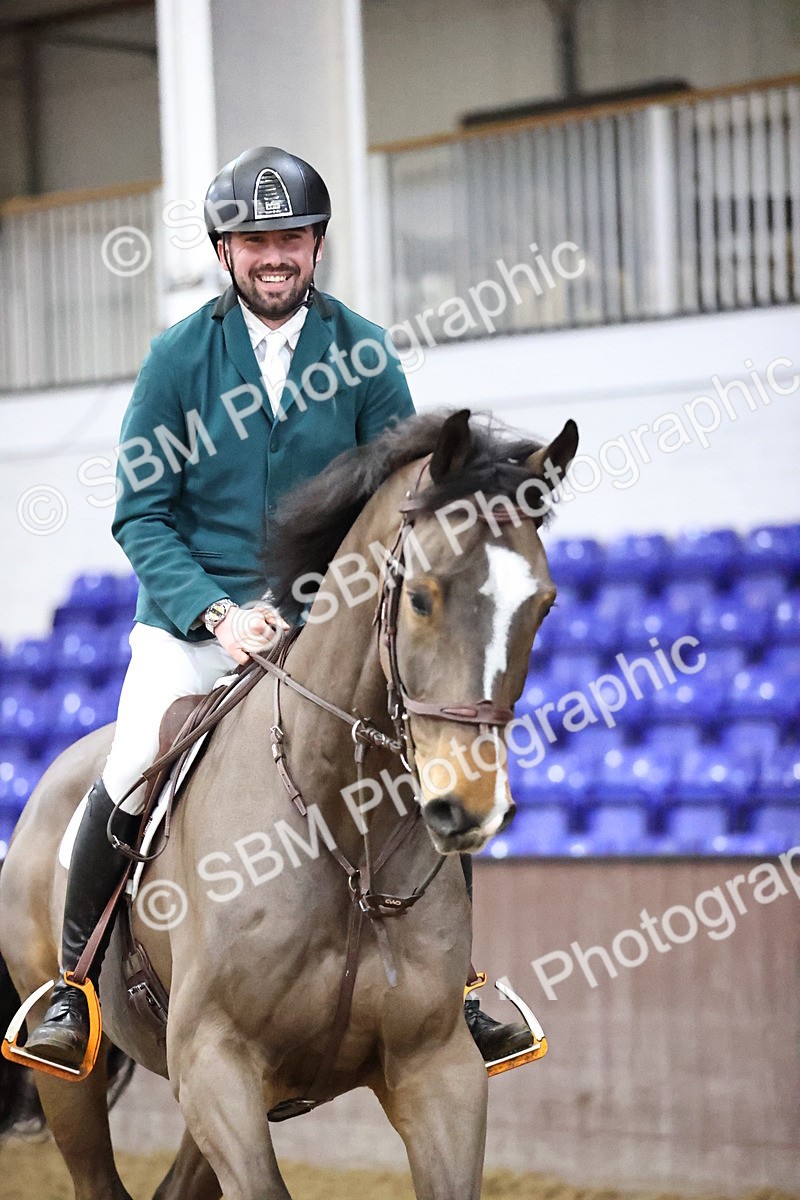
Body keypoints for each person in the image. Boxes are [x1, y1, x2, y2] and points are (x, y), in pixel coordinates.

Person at [25, 146, 533, 1070]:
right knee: (129, 765)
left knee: (422, 765)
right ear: (226, 251)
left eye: (290, 238)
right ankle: (71, 985)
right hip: (192, 627)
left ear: (317, 245)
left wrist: (321, 610)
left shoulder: (365, 352)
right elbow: (140, 514)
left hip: (322, 626)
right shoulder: (177, 358)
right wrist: (218, 615)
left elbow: (403, 501)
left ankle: (459, 988)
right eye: (255, 241)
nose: (274, 256)